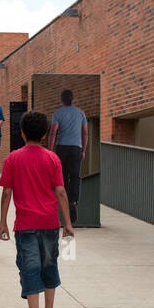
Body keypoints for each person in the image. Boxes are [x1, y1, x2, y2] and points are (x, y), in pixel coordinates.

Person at [0, 111, 75, 308]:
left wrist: (3, 222)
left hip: (25, 225)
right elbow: (60, 191)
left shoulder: (13, 159)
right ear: (44, 134)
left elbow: (6, 192)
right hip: (50, 223)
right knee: (49, 265)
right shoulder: (53, 159)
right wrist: (67, 224)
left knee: (30, 269)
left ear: (22, 133)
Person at [48, 89, 87, 225]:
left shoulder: (58, 113)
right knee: (75, 175)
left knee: (62, 175)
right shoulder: (80, 113)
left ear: (62, 99)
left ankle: (63, 201)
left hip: (62, 147)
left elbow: (53, 132)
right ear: (72, 99)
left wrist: (50, 150)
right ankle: (73, 201)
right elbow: (85, 133)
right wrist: (83, 150)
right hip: (76, 147)